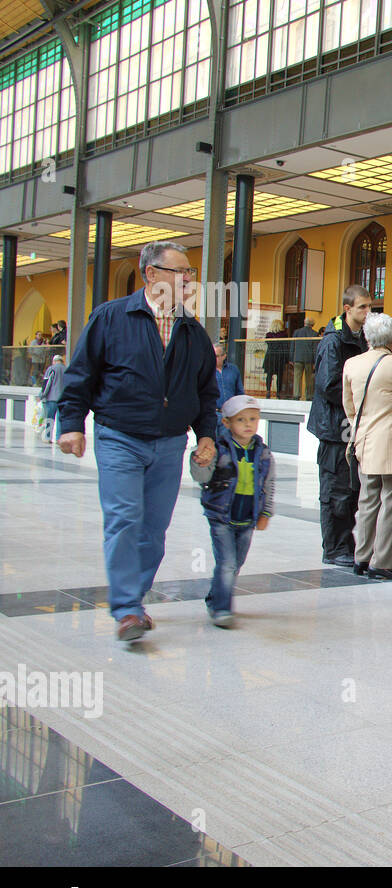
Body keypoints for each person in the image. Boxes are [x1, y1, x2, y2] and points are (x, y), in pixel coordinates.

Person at [58, 240, 218, 642]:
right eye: (179, 272)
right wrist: (71, 423)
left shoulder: (192, 331)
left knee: (153, 529)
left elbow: (206, 392)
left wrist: (207, 436)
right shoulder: (111, 318)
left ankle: (135, 598)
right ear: (150, 275)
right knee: (125, 520)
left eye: (190, 273)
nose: (187, 280)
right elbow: (80, 374)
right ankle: (127, 609)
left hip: (168, 443)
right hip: (119, 437)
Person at [189, 394, 275, 628]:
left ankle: (215, 598)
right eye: (241, 420)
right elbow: (202, 477)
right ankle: (221, 608)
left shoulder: (264, 452)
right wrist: (198, 461)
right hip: (221, 516)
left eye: (253, 419)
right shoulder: (219, 449)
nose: (248, 424)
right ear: (226, 423)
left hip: (247, 517)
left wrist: (265, 513)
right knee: (226, 563)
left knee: (236, 563)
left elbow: (268, 484)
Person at [342, 313, 392, 580]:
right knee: (390, 501)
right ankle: (382, 562)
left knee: (367, 501)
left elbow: (349, 407)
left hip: (364, 442)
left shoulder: (351, 364)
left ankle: (361, 557)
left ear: (367, 337)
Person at [307, 285, 370, 566]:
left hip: (349, 426)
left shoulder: (360, 339)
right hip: (334, 428)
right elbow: (329, 385)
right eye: (362, 307)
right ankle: (333, 548)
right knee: (335, 491)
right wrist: (359, 398)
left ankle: (345, 544)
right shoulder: (333, 341)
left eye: (370, 307)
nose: (367, 312)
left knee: (350, 489)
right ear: (348, 309)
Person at [39, 353, 66, 443]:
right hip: (63, 399)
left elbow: (47, 383)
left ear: (54, 361)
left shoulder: (51, 369)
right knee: (60, 420)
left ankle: (48, 437)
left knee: (50, 418)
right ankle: (59, 438)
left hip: (52, 398)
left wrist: (42, 395)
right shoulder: (66, 369)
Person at [263, 318, 290, 399]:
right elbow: (286, 347)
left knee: (269, 375)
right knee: (280, 375)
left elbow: (268, 344)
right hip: (280, 357)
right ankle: (278, 392)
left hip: (270, 356)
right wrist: (287, 358)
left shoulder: (268, 335)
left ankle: (268, 391)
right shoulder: (284, 335)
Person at [292, 319, 318, 400]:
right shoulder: (314, 333)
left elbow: (293, 345)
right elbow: (315, 349)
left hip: (297, 358)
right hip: (309, 359)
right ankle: (309, 395)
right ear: (312, 324)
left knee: (297, 377)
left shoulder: (296, 332)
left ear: (304, 323)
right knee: (309, 378)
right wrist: (315, 361)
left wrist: (291, 358)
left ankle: (296, 395)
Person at [214, 342, 245, 409]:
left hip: (231, 413)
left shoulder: (233, 369)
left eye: (216, 356)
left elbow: (239, 392)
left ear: (224, 356)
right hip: (213, 413)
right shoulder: (206, 371)